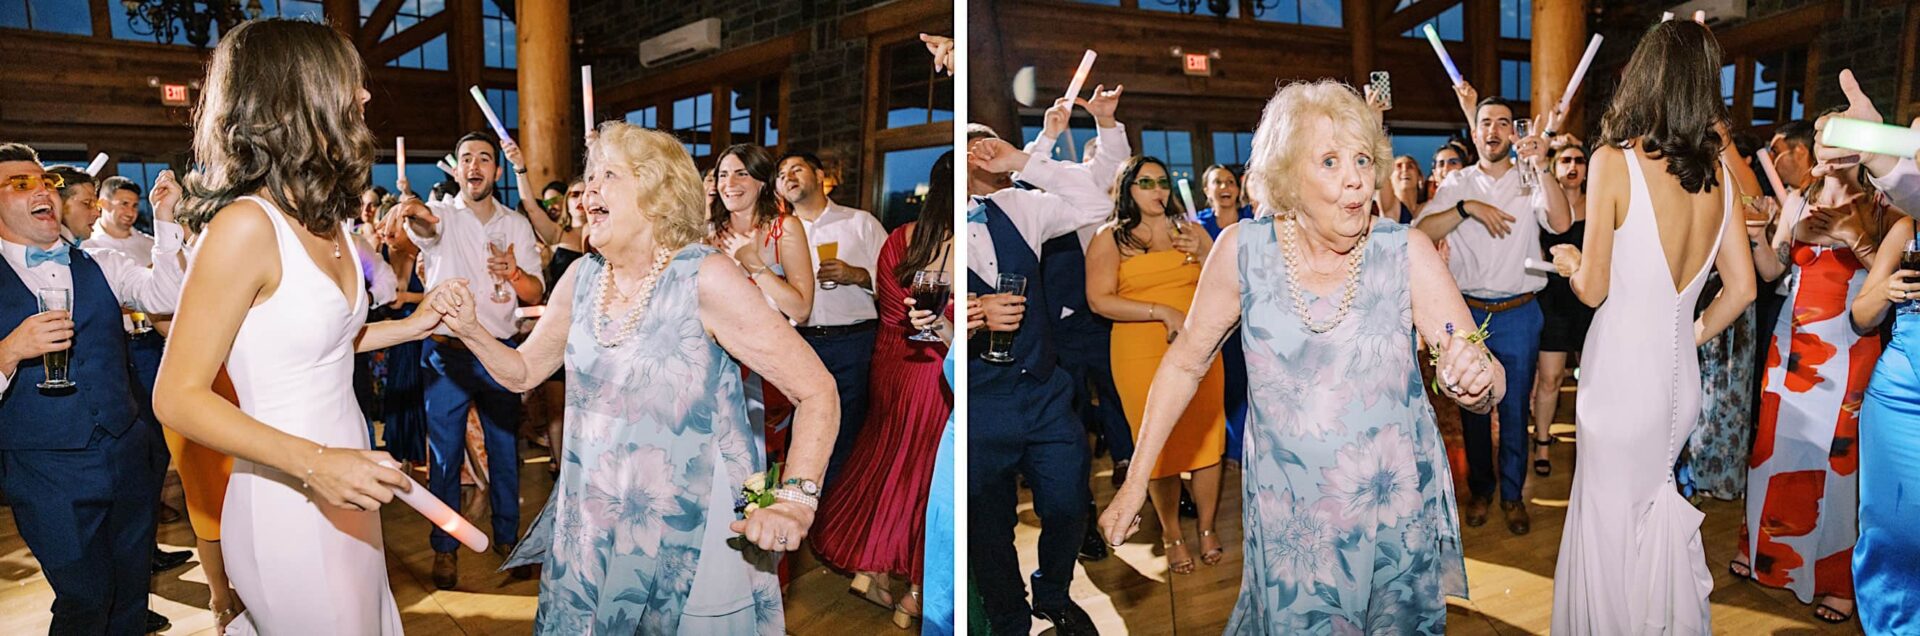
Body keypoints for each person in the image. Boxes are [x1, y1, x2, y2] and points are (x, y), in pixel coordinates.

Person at [1100, 79, 1484, 632]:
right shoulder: (1243, 252)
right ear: (1287, 175)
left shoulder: (1405, 251)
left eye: (1360, 158)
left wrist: (1476, 380)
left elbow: (1472, 359)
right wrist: (1137, 479)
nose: (1355, 177)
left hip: (1392, 518)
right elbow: (1186, 362)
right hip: (1294, 525)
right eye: (1329, 160)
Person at [446, 121, 837, 633]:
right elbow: (523, 372)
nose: (587, 192)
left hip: (693, 523)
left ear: (656, 193)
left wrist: (794, 502)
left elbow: (817, 391)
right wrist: (472, 330)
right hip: (593, 515)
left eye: (608, 175)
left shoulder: (706, 276)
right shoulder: (583, 276)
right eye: (588, 178)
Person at [149, 20, 473, 634]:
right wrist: (315, 463)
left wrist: (414, 326)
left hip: (346, 474)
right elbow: (176, 396)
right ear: (299, 94)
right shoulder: (245, 226)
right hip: (287, 495)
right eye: (350, 82)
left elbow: (318, 347)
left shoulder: (328, 219)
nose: (366, 97)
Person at [1545, 19, 1757, 633]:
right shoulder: (1723, 182)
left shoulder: (1615, 160)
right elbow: (1742, 289)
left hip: (1618, 382)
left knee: (1606, 525)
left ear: (1645, 78)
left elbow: (1595, 288)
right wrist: (1686, 336)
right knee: (1653, 506)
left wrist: (1569, 263)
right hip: (1676, 383)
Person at [0, 141, 185, 635]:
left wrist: (165, 219)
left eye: (46, 182)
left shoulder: (99, 261)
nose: (42, 190)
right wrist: (10, 351)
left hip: (125, 454)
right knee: (84, 599)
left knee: (129, 594)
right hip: (48, 471)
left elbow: (164, 295)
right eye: (22, 184)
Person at [966, 118, 1113, 636]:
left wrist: (1022, 162)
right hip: (978, 401)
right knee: (987, 525)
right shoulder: (935, 231)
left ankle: (1053, 593)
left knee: (1070, 502)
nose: (984, 151)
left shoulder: (1020, 207)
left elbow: (1097, 204)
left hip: (1045, 391)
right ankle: (1009, 617)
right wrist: (969, 313)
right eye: (974, 145)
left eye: (991, 143)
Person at [1735, 163, 1892, 623]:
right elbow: (1772, 269)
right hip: (1792, 338)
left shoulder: (1882, 203)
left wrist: (1852, 237)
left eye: (1831, 134)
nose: (1822, 144)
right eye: (1820, 135)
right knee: (1773, 449)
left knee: (1836, 464)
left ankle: (1835, 581)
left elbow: (1891, 276)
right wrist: (1759, 236)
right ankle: (1764, 552)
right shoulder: (1801, 197)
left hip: (1850, 342)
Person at [394, 129, 546, 588]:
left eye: (484, 158)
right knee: (444, 459)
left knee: (504, 451)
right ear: (456, 169)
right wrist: (415, 211)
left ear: (496, 171)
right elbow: (424, 228)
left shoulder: (514, 224)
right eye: (467, 159)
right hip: (446, 356)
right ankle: (445, 548)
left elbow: (536, 292)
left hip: (500, 351)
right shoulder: (442, 216)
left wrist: (514, 272)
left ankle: (507, 538)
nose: (475, 166)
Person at [1415, 93, 1572, 535]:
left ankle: (1511, 494)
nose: (1494, 131)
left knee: (1516, 408)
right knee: (1473, 409)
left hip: (1521, 312)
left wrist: (1543, 166)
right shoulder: (1458, 182)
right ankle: (1481, 490)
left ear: (1513, 131)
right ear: (1474, 130)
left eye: (1504, 123)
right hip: (1468, 315)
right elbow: (1421, 232)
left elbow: (1560, 223)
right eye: (1486, 122)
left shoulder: (1529, 178)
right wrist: (1467, 209)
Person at [811, 151, 955, 628]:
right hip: (934, 370)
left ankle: (871, 567)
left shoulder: (902, 238)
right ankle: (915, 588)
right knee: (925, 475)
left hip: (892, 365)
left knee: (889, 460)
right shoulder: (967, 244)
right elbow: (940, 324)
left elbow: (891, 312)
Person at [1086, 155, 1226, 575]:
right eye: (1145, 182)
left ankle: (1205, 528)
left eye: (1162, 182)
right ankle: (1171, 533)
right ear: (1127, 188)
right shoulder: (1110, 238)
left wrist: (1203, 250)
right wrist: (1161, 311)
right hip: (1138, 349)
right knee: (1158, 445)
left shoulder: (1190, 231)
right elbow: (1099, 300)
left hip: (1201, 347)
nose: (1157, 190)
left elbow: (1225, 283)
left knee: (1207, 444)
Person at [775, 150, 886, 487]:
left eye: (797, 169)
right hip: (799, 342)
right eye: (781, 175)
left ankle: (840, 515)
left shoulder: (859, 222)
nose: (788, 178)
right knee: (800, 430)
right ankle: (801, 503)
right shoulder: (776, 234)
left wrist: (859, 275)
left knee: (848, 429)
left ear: (820, 176)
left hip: (853, 343)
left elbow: (898, 280)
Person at [1846, 191, 1920, 634]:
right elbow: (1861, 315)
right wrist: (1888, 291)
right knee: (1893, 536)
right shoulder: (1907, 229)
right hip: (1899, 398)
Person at [1684, 133, 1768, 500]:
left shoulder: (1729, 181)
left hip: (1724, 292)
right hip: (1685, 290)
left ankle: (1713, 476)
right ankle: (1681, 472)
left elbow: (1755, 203)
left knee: (1724, 391)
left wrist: (1722, 137)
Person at [1529, 142, 1592, 476]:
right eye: (1565, 159)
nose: (1573, 165)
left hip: (1589, 301)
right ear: (1553, 167)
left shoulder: (1599, 205)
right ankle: (1541, 443)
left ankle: (1589, 445)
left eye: (1579, 160)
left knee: (1591, 380)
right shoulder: (1542, 205)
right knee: (1550, 377)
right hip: (1552, 299)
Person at [1193, 163, 1252, 468]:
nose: (1225, 187)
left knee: (1245, 379)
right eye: (1218, 182)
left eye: (1230, 181)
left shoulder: (1251, 221)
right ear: (1207, 190)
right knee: (1220, 381)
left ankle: (1239, 448)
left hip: (1248, 313)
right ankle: (1225, 445)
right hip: (1212, 313)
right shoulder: (1195, 226)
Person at [90, 176, 157, 265]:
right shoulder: (86, 246)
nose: (130, 213)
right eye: (124, 204)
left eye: (135, 206)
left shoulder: (153, 246)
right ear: (104, 204)